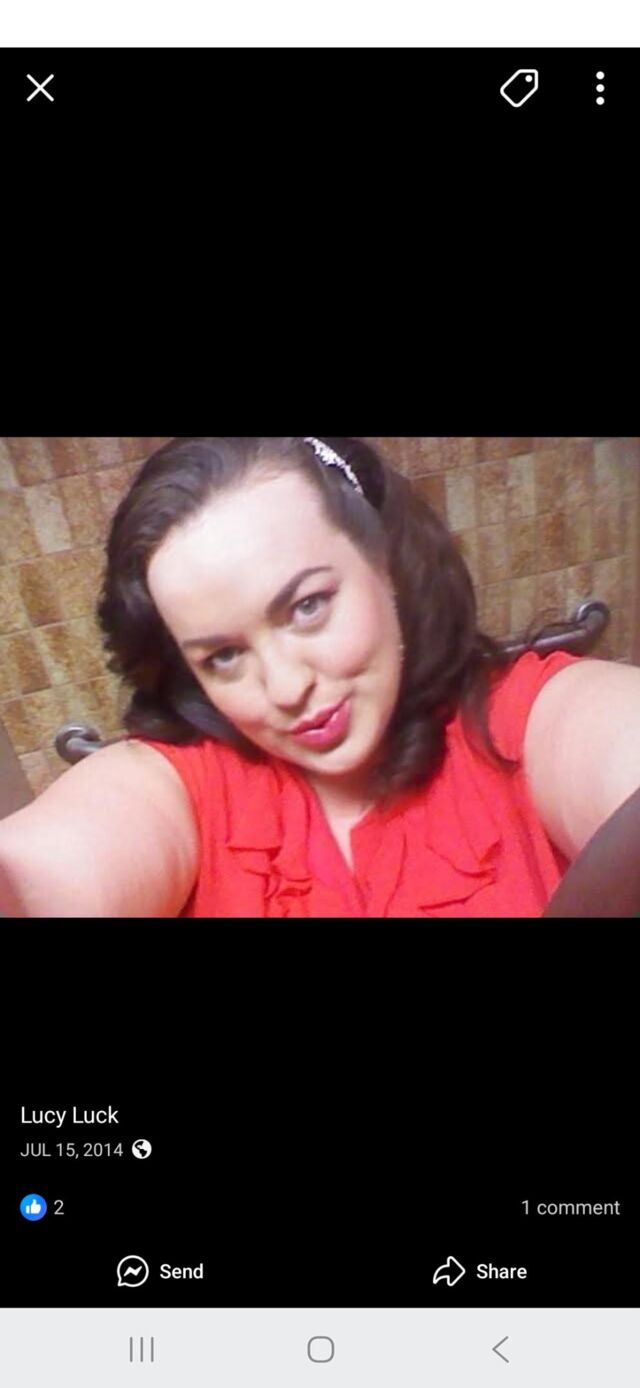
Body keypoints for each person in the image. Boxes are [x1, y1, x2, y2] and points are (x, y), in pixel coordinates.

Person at [1, 436, 640, 918]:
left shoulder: (532, 719)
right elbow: (40, 876)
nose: (285, 689)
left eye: (308, 606)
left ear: (386, 564)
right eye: (223, 656)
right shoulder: (179, 787)